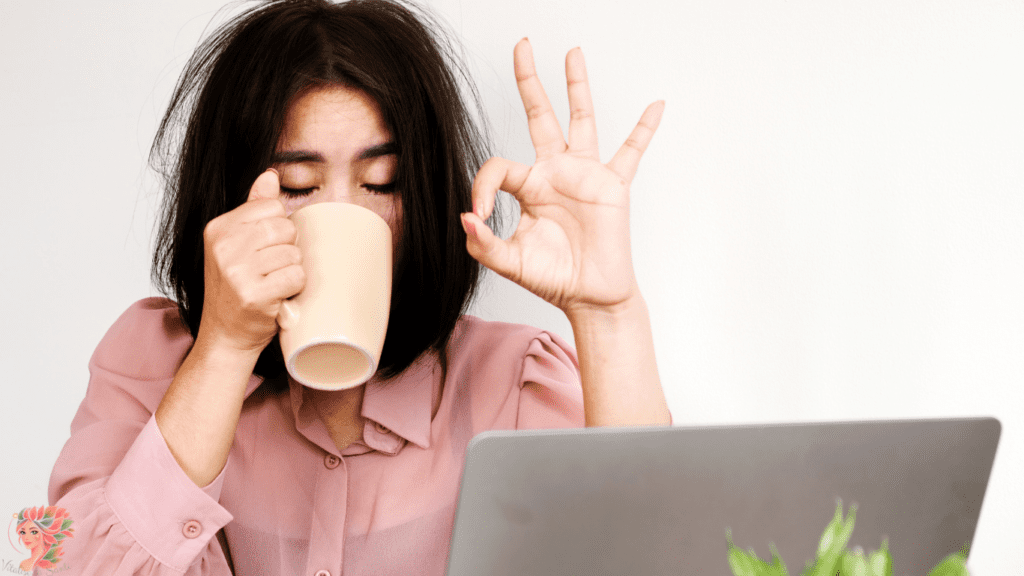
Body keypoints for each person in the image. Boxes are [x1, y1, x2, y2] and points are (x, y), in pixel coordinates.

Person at [47, 0, 671, 574]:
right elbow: (69, 565)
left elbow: (653, 555)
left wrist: (606, 313)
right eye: (296, 185)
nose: (345, 214)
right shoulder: (149, 362)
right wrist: (225, 349)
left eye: (381, 182)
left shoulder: (513, 383)